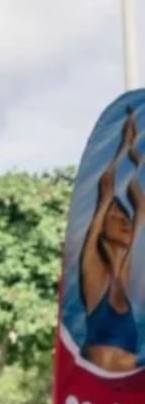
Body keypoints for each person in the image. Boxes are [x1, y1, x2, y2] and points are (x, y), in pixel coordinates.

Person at [79, 108, 145, 373]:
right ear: (101, 228)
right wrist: (124, 146)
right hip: (96, 399)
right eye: (116, 217)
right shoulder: (93, 271)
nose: (124, 220)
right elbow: (106, 188)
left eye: (125, 216)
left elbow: (142, 207)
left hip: (128, 400)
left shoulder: (128, 277)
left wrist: (137, 160)